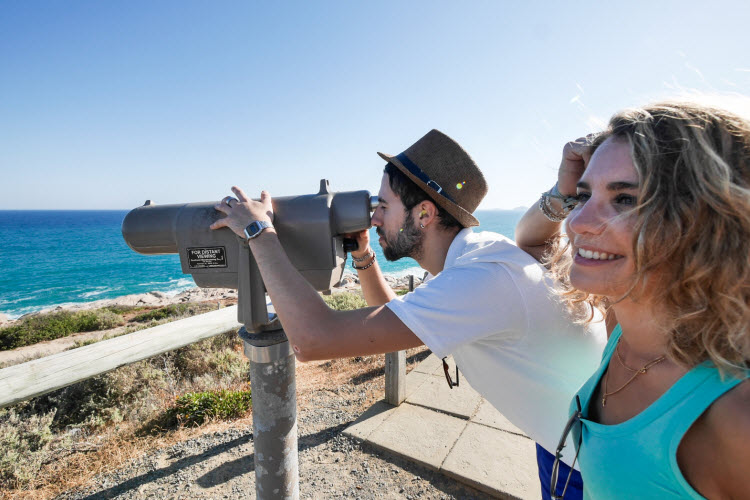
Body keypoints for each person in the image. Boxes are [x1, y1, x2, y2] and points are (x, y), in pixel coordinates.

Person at [211, 129, 605, 498]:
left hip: (591, 468)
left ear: (424, 214)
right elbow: (388, 317)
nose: (374, 217)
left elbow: (313, 340)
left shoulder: (481, 281)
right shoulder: (477, 254)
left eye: (383, 206)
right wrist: (364, 254)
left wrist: (258, 231)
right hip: (562, 439)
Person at [515, 101, 750, 499]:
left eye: (624, 199)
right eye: (583, 196)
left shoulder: (733, 417)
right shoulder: (622, 327)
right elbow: (530, 240)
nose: (576, 221)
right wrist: (561, 191)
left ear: (706, 221)